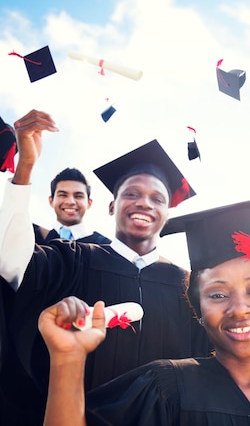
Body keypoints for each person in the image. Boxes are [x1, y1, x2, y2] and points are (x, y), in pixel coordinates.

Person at [38, 191, 250, 425]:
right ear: (198, 306)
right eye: (218, 294)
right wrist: (67, 360)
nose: (240, 308)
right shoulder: (162, 389)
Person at [0, 110, 210, 425]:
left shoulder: (188, 286)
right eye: (132, 194)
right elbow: (9, 259)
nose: (144, 203)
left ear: (166, 214)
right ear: (112, 206)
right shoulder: (70, 259)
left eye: (157, 198)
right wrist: (26, 165)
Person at [33, 167, 110, 244]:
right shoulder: (34, 239)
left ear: (89, 203)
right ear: (51, 201)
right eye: (63, 195)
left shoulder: (105, 246)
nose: (70, 202)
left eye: (78, 196)